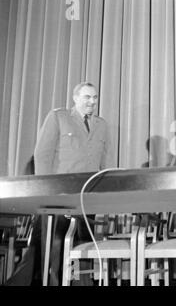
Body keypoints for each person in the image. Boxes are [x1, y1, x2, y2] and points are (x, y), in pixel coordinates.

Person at [6, 82, 113, 286]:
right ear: (75, 98)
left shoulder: (102, 124)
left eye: (95, 97)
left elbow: (104, 160)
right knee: (54, 245)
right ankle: (52, 282)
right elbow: (42, 154)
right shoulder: (59, 117)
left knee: (83, 244)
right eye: (87, 97)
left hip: (88, 194)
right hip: (59, 194)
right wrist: (46, 191)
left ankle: (80, 282)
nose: (92, 101)